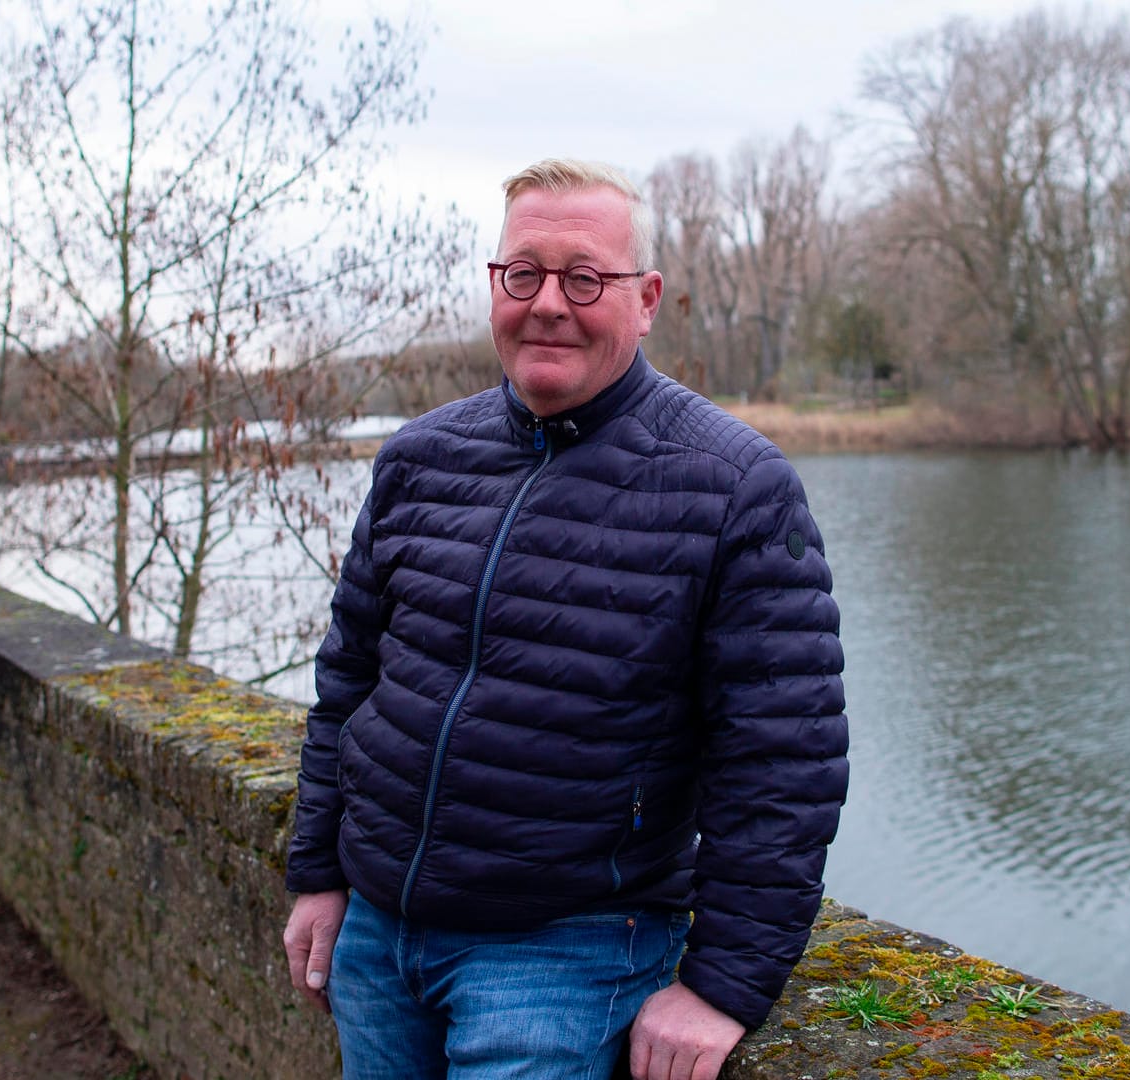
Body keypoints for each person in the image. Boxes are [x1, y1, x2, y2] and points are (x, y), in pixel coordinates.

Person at [281, 158, 847, 1080]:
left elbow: (784, 759)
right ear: (496, 286)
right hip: (379, 938)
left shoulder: (733, 487)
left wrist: (725, 983)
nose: (549, 302)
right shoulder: (420, 461)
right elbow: (348, 684)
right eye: (523, 274)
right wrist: (318, 872)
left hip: (565, 954)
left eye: (585, 277)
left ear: (647, 297)